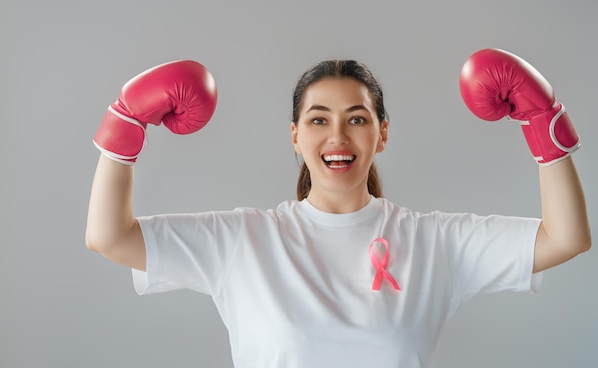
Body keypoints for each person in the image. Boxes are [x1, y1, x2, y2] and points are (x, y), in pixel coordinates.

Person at [86, 49, 591, 367]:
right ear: (295, 136)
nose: (337, 137)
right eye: (318, 120)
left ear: (382, 134)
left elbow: (565, 237)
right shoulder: (242, 240)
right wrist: (123, 129)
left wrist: (545, 127)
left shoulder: (435, 242)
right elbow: (111, 237)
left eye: (356, 119)